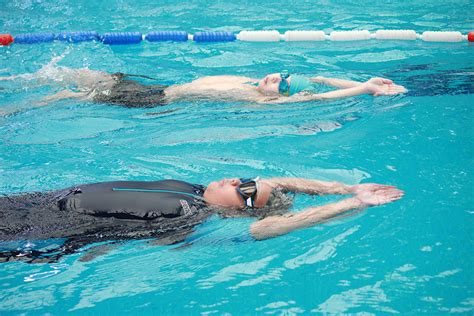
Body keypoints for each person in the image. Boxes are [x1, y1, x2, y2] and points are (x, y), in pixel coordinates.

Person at [0, 176, 403, 263]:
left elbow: (268, 225)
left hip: (37, 229)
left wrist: (353, 205)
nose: (238, 179)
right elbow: (275, 183)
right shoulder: (195, 189)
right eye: (247, 176)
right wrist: (344, 188)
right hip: (38, 199)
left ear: (236, 209)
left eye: (243, 188)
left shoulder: (193, 217)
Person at [0, 57, 407, 110]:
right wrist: (363, 76)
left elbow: (318, 93)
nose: (275, 79)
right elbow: (316, 79)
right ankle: (14, 81)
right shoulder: (254, 81)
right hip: (156, 84)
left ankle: (13, 107)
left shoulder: (262, 102)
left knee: (68, 93)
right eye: (280, 74)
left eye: (281, 85)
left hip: (152, 102)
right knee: (81, 73)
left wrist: (362, 89)